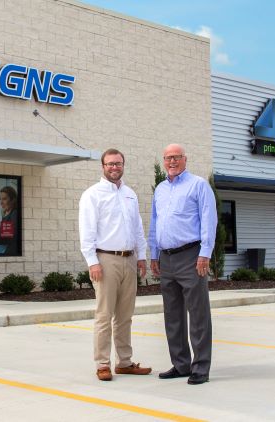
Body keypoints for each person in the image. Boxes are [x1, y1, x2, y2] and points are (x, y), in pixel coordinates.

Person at [79, 148, 151, 381]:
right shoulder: (93, 194)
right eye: (109, 164)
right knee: (104, 315)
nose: (114, 167)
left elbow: (137, 228)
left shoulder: (130, 194)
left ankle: (125, 362)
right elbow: (87, 231)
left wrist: (141, 256)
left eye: (118, 163)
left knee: (125, 315)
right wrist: (92, 262)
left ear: (123, 165)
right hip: (105, 260)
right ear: (103, 166)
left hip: (129, 259)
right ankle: (102, 364)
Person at [148, 143, 217, 385]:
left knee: (198, 315)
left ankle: (201, 367)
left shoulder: (198, 185)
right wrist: (154, 254)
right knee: (172, 315)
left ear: (185, 159)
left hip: (191, 256)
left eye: (176, 157)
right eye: (167, 158)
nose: (172, 162)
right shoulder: (160, 189)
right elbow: (155, 223)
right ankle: (180, 364)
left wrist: (205, 253)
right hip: (166, 258)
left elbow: (209, 220)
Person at [0, 185, 19, 255]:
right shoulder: (8, 214)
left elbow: (5, 238)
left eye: (4, 199)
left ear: (13, 200)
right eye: (0, 199)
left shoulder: (14, 214)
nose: (1, 202)